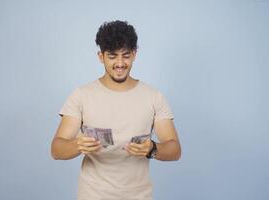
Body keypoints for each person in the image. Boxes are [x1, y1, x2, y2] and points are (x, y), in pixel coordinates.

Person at [51, 20, 181, 200]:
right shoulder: (81, 95)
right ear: (100, 56)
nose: (120, 63)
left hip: (139, 196)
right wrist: (77, 145)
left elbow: (174, 149)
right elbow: (57, 149)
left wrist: (152, 148)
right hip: (92, 195)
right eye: (112, 56)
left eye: (126, 55)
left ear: (134, 54)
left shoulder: (153, 97)